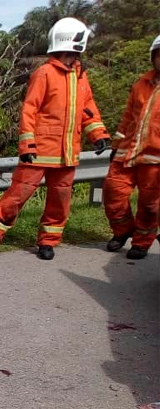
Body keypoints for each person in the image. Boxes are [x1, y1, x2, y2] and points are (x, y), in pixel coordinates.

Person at [0, 17, 110, 262]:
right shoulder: (45, 73)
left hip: (68, 154)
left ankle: (47, 242)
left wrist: (98, 134)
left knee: (60, 201)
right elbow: (29, 109)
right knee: (17, 197)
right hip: (39, 152)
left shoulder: (81, 76)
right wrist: (27, 144)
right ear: (75, 42)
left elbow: (88, 109)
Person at [102, 34, 160, 260]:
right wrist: (116, 146)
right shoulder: (140, 84)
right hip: (128, 151)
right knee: (112, 193)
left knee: (150, 205)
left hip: (155, 158)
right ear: (153, 57)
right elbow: (127, 118)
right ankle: (123, 230)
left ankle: (142, 242)